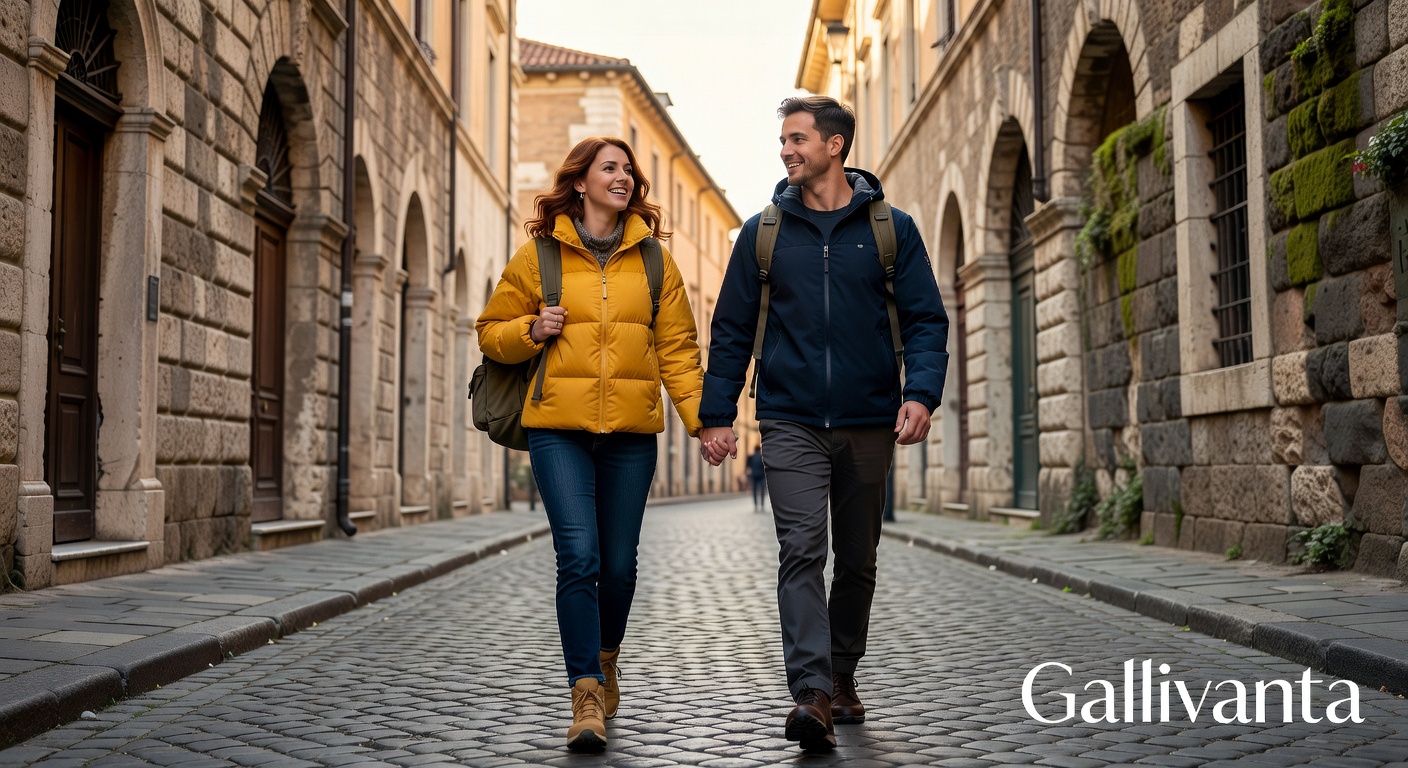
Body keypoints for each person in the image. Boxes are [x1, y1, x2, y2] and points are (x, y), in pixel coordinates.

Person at [700, 96, 949, 752]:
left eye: (797, 138)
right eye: (783, 139)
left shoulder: (892, 229)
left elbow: (926, 318)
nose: (786, 150)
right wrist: (716, 416)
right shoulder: (763, 233)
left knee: (858, 558)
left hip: (871, 418)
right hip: (789, 418)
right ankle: (811, 693)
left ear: (834, 146)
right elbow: (729, 331)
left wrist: (920, 394)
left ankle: (842, 673)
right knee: (802, 549)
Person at [477, 137, 704, 753]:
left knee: (619, 567)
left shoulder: (655, 262)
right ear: (580, 182)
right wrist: (531, 328)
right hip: (559, 428)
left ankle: (606, 658)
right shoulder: (539, 258)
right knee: (578, 556)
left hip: (630, 434)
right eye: (611, 168)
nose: (624, 177)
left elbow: (679, 349)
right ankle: (584, 693)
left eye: (629, 170)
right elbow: (490, 332)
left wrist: (703, 423)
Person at [747, 446, 767, 510]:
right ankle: (762, 504)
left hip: (754, 475)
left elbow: (748, 466)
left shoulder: (751, 457)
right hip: (762, 475)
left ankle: (755, 504)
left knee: (754, 490)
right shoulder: (762, 457)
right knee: (762, 490)